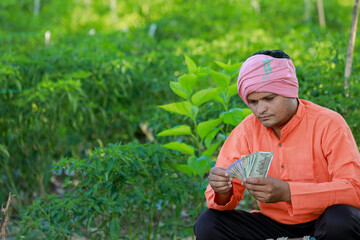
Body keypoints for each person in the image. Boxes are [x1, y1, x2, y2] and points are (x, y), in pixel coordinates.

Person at [194, 50, 360, 240]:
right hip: (272, 226)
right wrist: (222, 190)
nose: (260, 109)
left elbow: (355, 190)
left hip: (323, 222)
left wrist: (289, 193)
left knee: (342, 220)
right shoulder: (246, 131)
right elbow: (220, 201)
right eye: (253, 102)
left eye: (269, 99)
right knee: (208, 224)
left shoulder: (329, 124)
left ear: (290, 90)